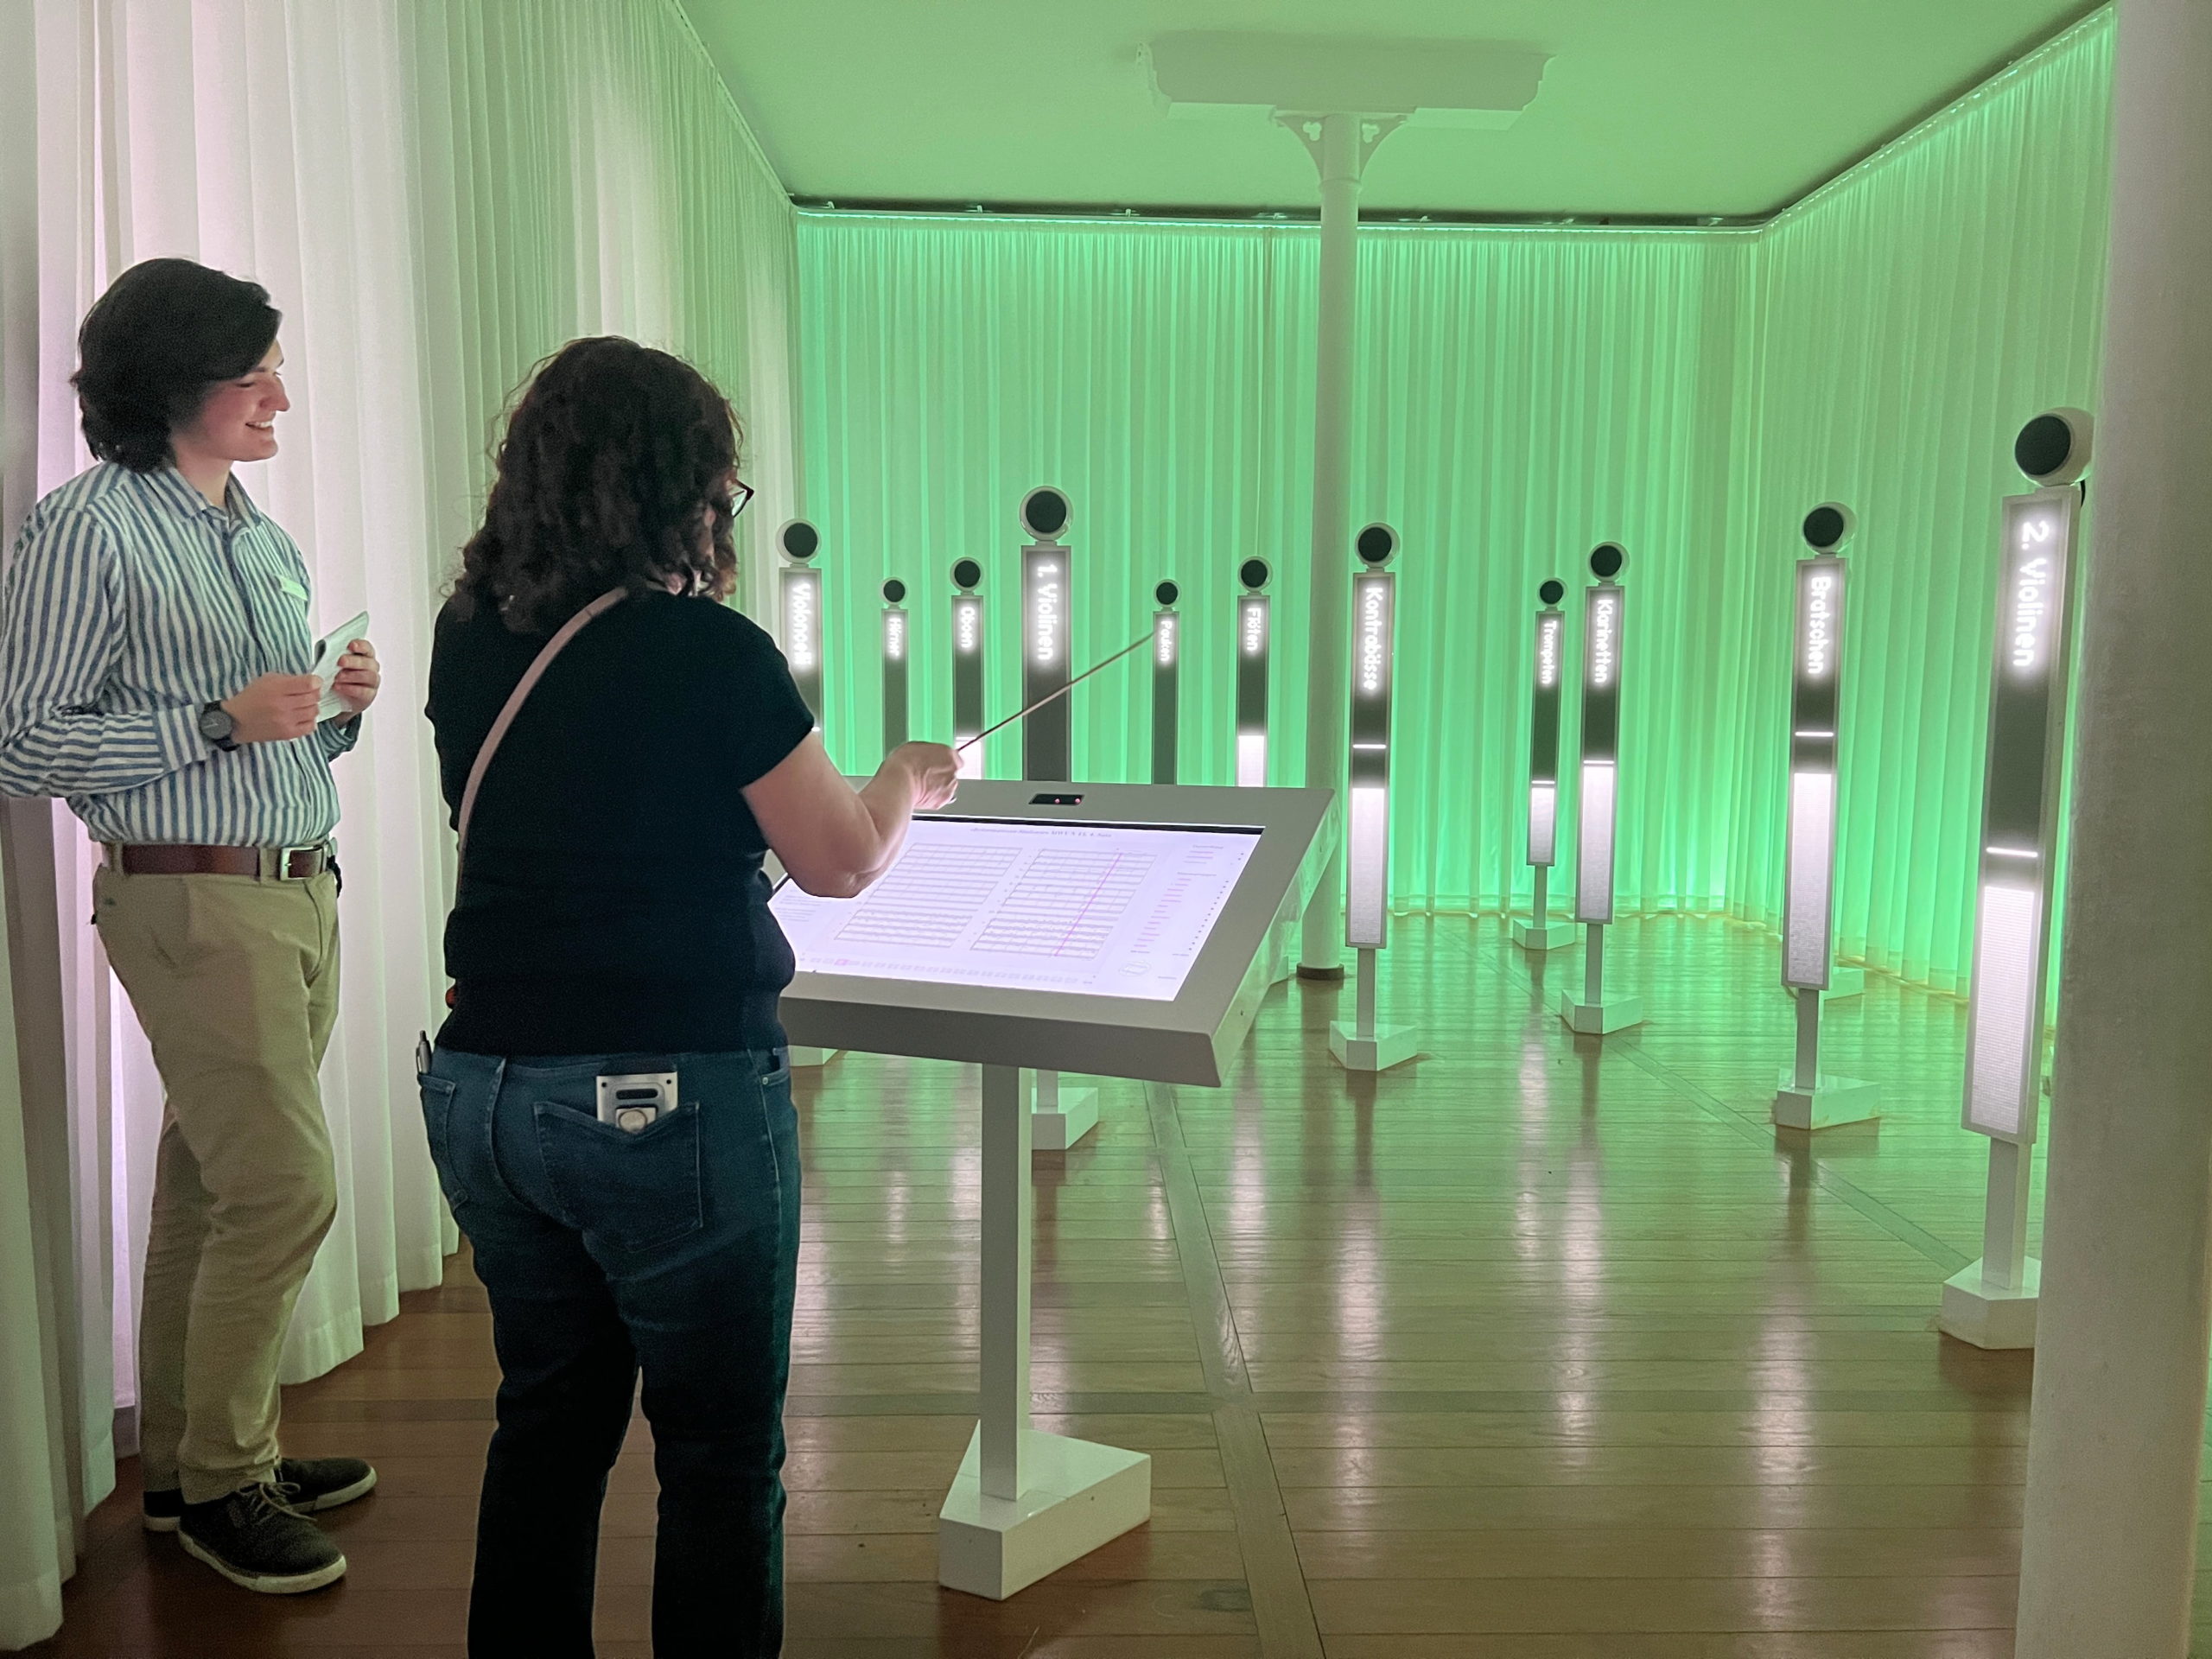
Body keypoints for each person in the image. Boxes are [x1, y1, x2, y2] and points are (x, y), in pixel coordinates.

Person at [420, 334, 957, 1659]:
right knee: (717, 1454)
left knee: (547, 1424)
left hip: (484, 1088)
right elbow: (841, 858)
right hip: (667, 1095)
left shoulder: (470, 636)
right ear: (686, 492)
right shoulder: (712, 652)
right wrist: (907, 776)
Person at [0, 258, 382, 1593]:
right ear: (172, 387)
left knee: (217, 1185)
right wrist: (218, 719)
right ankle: (229, 1480)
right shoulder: (85, 528)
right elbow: (25, 742)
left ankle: (185, 1468)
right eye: (251, 375)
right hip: (190, 896)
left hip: (293, 883)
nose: (280, 395)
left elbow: (285, 735)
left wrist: (338, 705)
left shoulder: (257, 531)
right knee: (284, 1187)